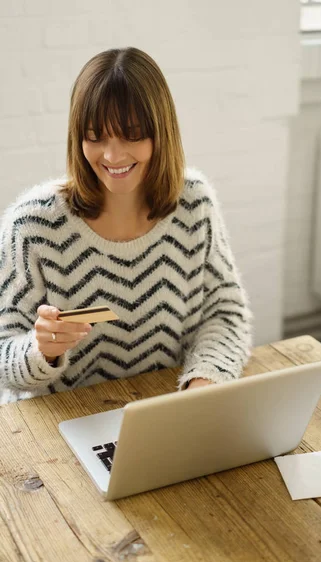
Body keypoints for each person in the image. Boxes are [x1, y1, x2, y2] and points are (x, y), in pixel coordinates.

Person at [0, 47, 252, 403]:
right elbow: (3, 358)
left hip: (162, 413)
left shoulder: (194, 203)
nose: (113, 156)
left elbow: (225, 314)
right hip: (59, 427)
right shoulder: (32, 226)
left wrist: (202, 386)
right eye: (95, 136)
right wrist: (42, 350)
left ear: (161, 132)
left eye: (132, 135)